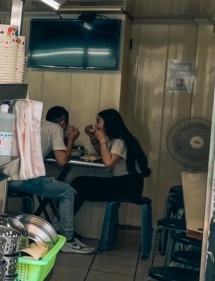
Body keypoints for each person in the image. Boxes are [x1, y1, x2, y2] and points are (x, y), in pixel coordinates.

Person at [9, 106, 94, 254]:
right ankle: (66, 240)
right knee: (68, 191)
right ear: (62, 123)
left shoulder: (35, 124)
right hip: (25, 179)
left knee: (58, 187)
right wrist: (72, 138)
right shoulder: (56, 129)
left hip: (6, 179)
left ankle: (55, 233)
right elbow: (62, 160)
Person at [72, 108, 151, 211]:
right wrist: (93, 138)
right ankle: (64, 220)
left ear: (109, 123)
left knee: (81, 184)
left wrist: (102, 140)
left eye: (98, 122)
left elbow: (108, 162)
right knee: (80, 184)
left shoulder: (120, 141)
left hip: (129, 187)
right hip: (125, 184)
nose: (95, 125)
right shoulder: (115, 139)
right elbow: (103, 154)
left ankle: (63, 221)